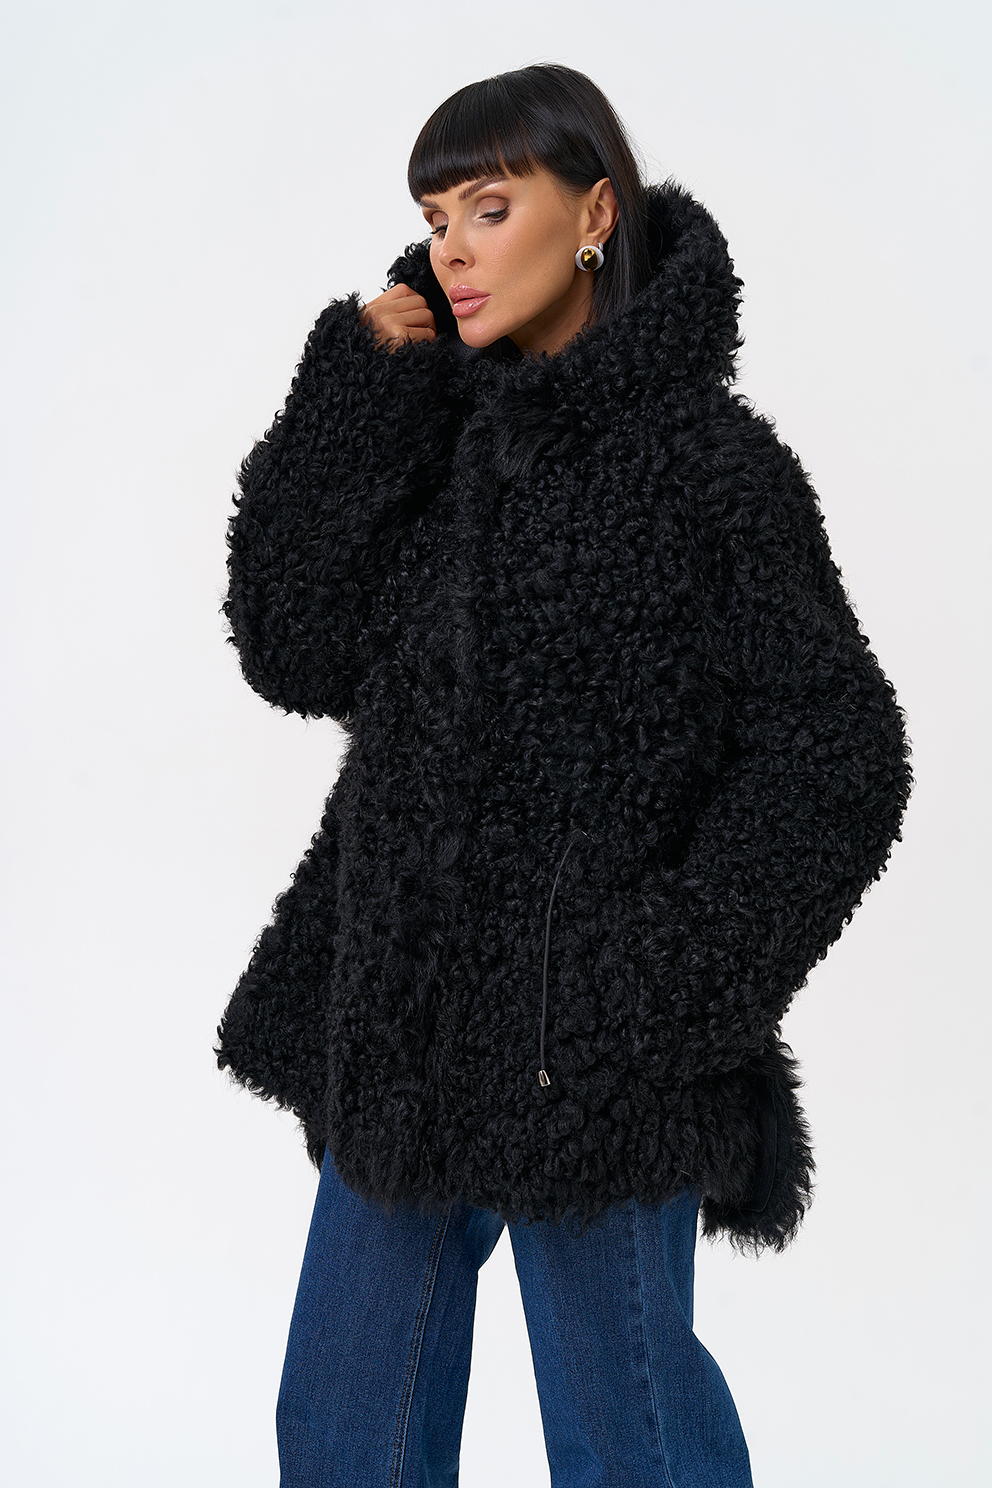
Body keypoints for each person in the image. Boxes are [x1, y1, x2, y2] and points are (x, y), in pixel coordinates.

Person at [214, 63, 913, 1487]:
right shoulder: (430, 446)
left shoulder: (713, 470)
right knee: (338, 1439)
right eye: (435, 219)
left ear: (595, 213)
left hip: (593, 1054)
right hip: (401, 1029)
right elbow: (289, 646)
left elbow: (840, 753)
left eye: (490, 206)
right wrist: (354, 394)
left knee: (631, 1452)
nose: (453, 251)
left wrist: (660, 980)